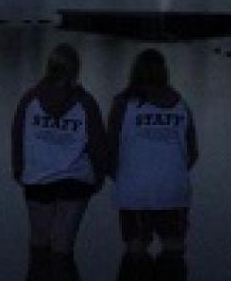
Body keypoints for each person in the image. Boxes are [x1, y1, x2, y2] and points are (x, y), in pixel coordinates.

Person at [10, 43, 107, 256]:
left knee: (39, 244)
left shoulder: (30, 99)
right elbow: (98, 144)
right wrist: (100, 175)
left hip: (37, 179)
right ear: (76, 70)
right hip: (75, 180)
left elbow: (17, 136)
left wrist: (18, 169)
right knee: (62, 249)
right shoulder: (86, 103)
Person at [108, 48, 199, 264]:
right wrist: (170, 170)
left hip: (134, 190)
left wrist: (119, 176)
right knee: (174, 248)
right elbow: (192, 152)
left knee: (136, 249)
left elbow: (110, 148)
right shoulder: (181, 104)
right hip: (173, 189)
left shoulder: (122, 104)